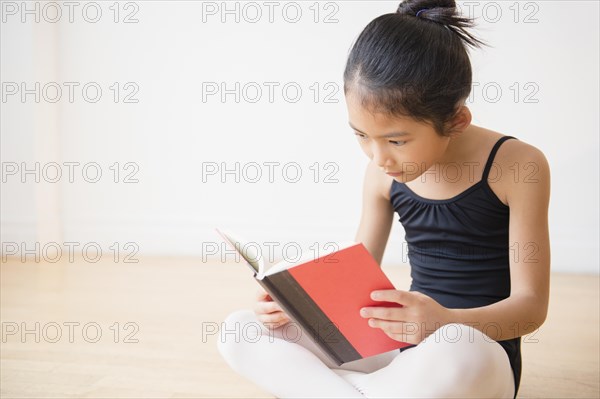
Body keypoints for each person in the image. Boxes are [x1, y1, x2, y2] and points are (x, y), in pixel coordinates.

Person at [217, 0, 551, 397]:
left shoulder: (518, 166)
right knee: (241, 330)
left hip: (472, 355)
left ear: (457, 121)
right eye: (361, 136)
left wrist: (445, 321)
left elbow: (531, 308)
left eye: (397, 140)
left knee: (454, 347)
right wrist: (296, 306)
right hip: (399, 351)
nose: (378, 158)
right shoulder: (383, 172)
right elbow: (355, 279)